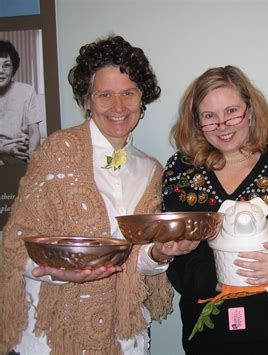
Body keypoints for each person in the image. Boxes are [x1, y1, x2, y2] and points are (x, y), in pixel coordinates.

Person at [0, 35, 197, 354]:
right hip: (54, 336)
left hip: (125, 336)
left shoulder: (152, 170)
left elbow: (135, 260)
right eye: (105, 94)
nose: (118, 107)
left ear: (141, 98)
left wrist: (160, 254)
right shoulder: (56, 153)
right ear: (86, 100)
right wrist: (56, 272)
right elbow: (16, 241)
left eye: (128, 93)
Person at [162, 65, 268, 355]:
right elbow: (174, 259)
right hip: (209, 337)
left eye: (232, 111)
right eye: (209, 116)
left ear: (250, 109)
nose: (222, 125)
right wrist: (219, 280)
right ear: (196, 122)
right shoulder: (181, 171)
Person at [0, 40, 42, 165]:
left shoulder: (26, 91)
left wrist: (31, 151)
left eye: (6, 65)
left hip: (20, 153)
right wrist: (7, 149)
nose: (0, 71)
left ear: (13, 68)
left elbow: (34, 132)